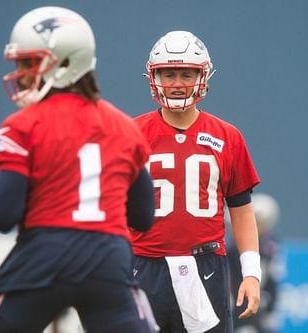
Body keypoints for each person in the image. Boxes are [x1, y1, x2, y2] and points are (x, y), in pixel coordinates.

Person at [0, 6, 158, 333]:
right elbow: (143, 217)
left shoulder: (22, 125)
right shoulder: (125, 127)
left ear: (65, 62)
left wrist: (10, 185)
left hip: (43, 256)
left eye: (29, 63)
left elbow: (3, 216)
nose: (21, 73)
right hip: (107, 258)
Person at [130, 30, 262, 333]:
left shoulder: (227, 136)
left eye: (187, 74)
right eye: (169, 74)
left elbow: (241, 210)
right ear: (154, 77)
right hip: (142, 265)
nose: (177, 84)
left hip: (205, 267)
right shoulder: (130, 133)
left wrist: (251, 273)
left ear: (202, 76)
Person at [228, 193, 282, 333]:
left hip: (256, 303)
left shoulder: (269, 246)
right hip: (244, 304)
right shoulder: (235, 248)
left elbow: (271, 280)